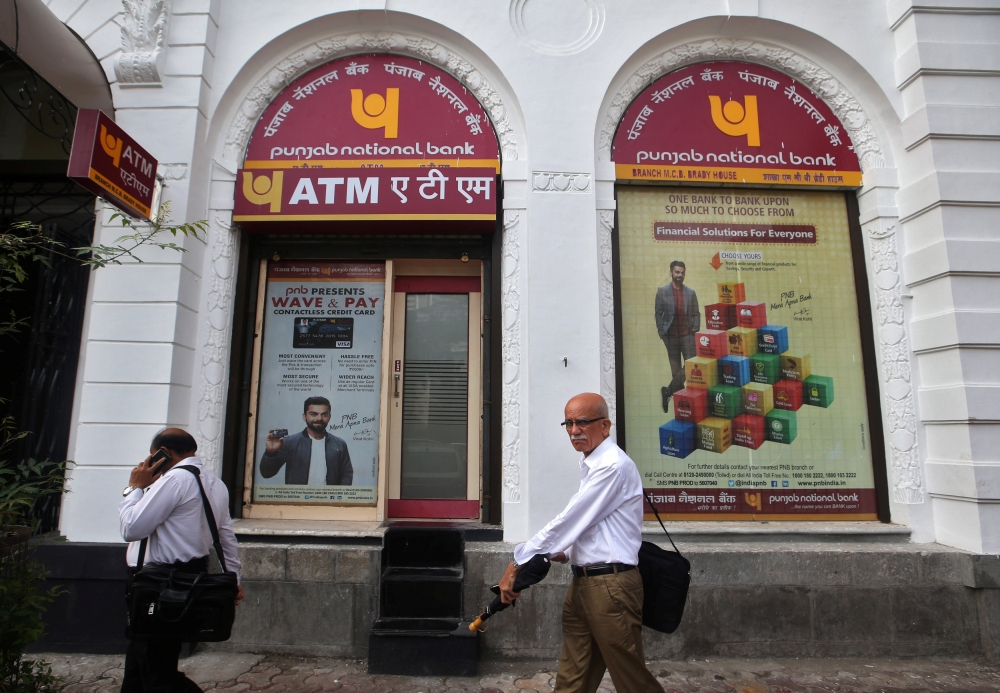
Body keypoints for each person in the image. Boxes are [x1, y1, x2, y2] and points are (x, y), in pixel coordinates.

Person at [498, 394, 662, 693]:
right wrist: (564, 551)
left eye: (583, 422)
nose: (574, 430)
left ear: (605, 426)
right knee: (574, 677)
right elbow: (593, 527)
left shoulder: (611, 466)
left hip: (610, 586)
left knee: (632, 680)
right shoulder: (593, 465)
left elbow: (570, 520)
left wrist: (519, 560)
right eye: (569, 423)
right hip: (584, 583)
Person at [119, 428, 244, 693]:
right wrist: (234, 578)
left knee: (157, 669)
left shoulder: (174, 480)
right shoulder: (214, 482)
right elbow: (226, 538)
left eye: (154, 457)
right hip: (184, 578)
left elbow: (132, 528)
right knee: (142, 661)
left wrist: (134, 488)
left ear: (164, 454)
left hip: (159, 583)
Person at [259, 395, 353, 485]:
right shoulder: (289, 442)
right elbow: (267, 474)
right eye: (313, 414)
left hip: (328, 499)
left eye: (324, 414)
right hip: (299, 499)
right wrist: (270, 453)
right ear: (304, 416)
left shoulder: (339, 444)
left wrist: (338, 498)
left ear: (329, 417)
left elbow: (347, 474)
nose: (319, 418)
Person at [654, 260, 699, 413]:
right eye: (677, 272)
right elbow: (658, 314)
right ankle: (681, 407)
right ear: (671, 273)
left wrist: (694, 332)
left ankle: (667, 391)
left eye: (682, 272)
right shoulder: (662, 291)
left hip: (687, 336)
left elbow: (696, 314)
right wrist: (662, 332)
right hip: (670, 337)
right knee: (676, 372)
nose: (680, 275)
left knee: (690, 367)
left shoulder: (690, 292)